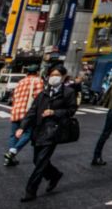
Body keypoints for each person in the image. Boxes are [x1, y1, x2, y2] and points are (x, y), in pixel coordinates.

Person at [16, 65, 77, 202]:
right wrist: (22, 127)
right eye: (52, 74)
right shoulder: (44, 92)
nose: (54, 77)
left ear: (63, 77)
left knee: (41, 161)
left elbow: (71, 110)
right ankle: (54, 175)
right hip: (39, 129)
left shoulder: (68, 92)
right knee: (37, 159)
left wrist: (55, 112)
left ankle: (30, 191)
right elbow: (32, 111)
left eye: (57, 75)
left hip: (54, 130)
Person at [5, 65, 45, 166]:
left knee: (14, 135)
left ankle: (9, 159)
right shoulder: (38, 80)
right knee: (28, 133)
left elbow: (14, 96)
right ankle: (13, 152)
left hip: (16, 111)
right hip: (27, 113)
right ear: (36, 72)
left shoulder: (21, 82)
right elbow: (39, 97)